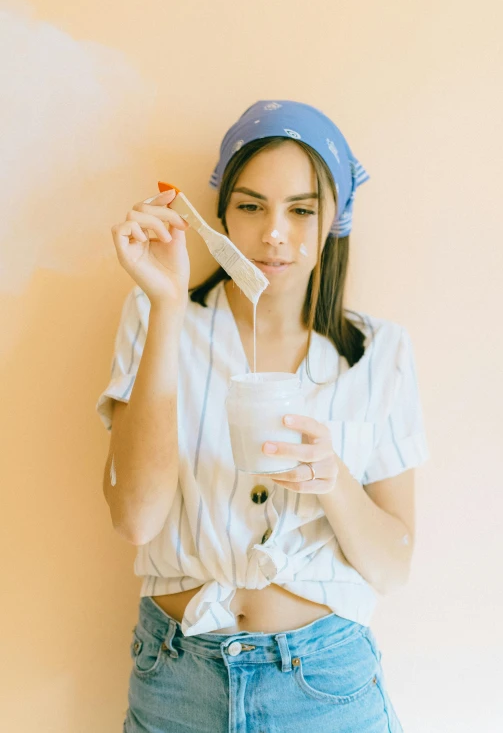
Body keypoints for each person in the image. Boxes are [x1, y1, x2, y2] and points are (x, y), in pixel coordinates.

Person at [96, 100, 429, 732]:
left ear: (335, 219)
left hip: (324, 686)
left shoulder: (380, 353)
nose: (275, 233)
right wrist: (166, 305)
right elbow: (135, 519)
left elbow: (392, 565)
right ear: (220, 213)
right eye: (251, 207)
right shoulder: (154, 317)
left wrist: (331, 479)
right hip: (176, 680)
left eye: (301, 210)